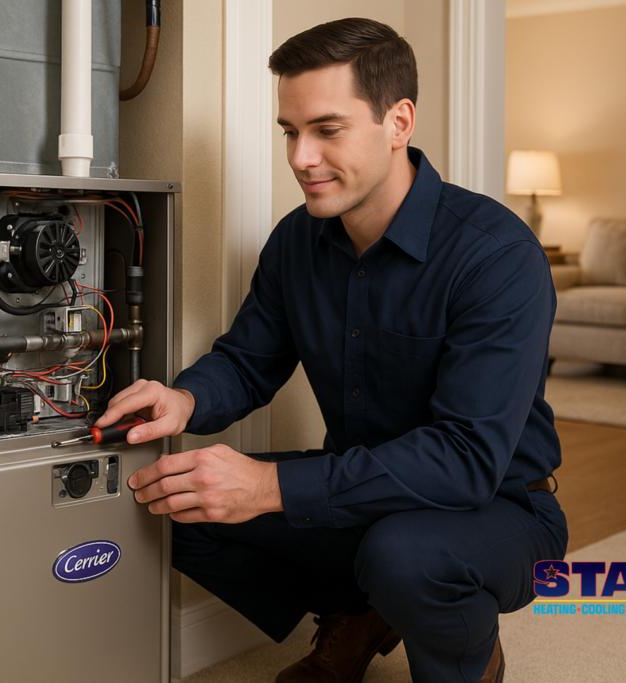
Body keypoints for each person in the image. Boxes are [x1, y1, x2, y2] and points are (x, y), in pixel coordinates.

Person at [95, 17, 567, 683]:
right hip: (364, 491)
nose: (299, 157)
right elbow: (247, 358)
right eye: (290, 131)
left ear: (399, 121)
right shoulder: (297, 241)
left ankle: (468, 656)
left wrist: (267, 486)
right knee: (174, 501)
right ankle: (362, 613)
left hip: (500, 508)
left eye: (326, 129)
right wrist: (185, 397)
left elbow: (465, 461)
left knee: (405, 554)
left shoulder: (496, 256)